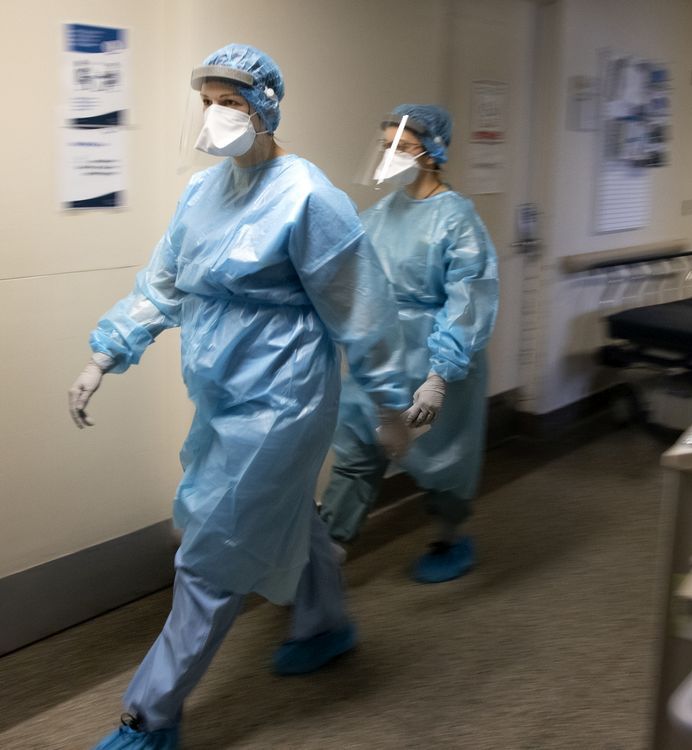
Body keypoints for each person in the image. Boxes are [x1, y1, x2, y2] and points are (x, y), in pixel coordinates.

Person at [68, 44, 412, 750]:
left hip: (284, 397)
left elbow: (363, 310)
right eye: (208, 102)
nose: (217, 115)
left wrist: (391, 401)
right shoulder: (202, 192)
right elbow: (164, 284)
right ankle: (325, 624)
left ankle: (150, 715)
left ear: (265, 108)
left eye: (231, 102)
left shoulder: (311, 197)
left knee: (214, 549)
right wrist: (106, 352)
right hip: (224, 392)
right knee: (288, 516)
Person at [319, 104, 499, 583]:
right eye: (387, 146)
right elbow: (353, 282)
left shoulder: (457, 220)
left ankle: (449, 534)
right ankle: (327, 553)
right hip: (378, 361)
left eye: (402, 145)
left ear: (433, 150)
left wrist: (440, 375)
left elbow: (468, 302)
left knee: (444, 462)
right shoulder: (378, 215)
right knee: (357, 453)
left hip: (436, 364)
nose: (390, 154)